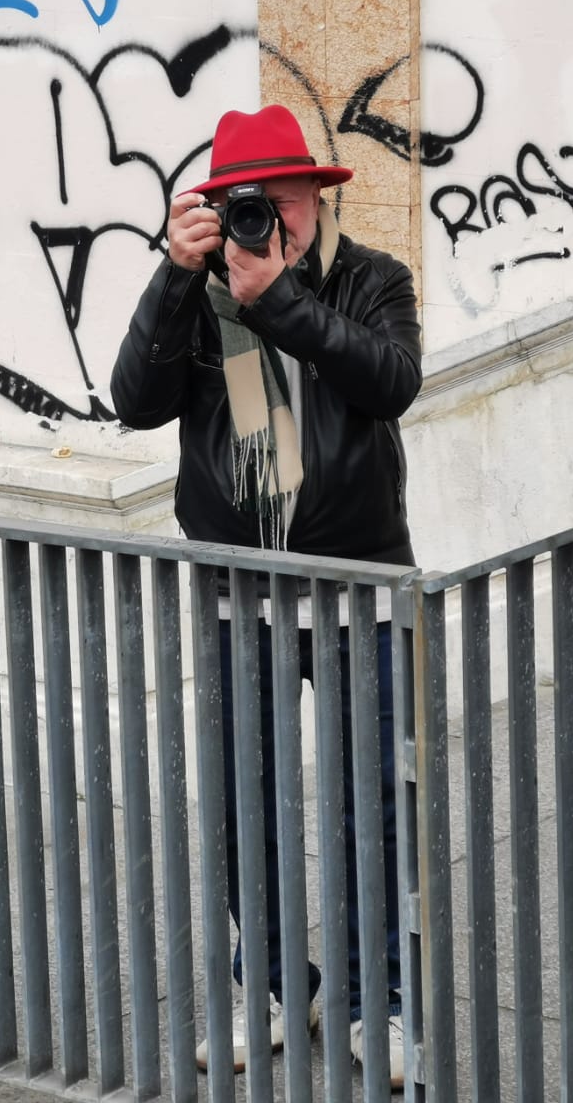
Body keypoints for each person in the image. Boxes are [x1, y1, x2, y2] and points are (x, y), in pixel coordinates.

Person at [109, 104, 420, 1088]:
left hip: (360, 585)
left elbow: (391, 382)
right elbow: (134, 402)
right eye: (247, 206)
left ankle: (379, 998)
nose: (267, 223)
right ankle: (279, 984)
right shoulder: (195, 295)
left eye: (283, 203)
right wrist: (174, 276)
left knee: (373, 805)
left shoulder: (372, 279)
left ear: (317, 197)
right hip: (240, 593)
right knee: (247, 806)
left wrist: (280, 301)